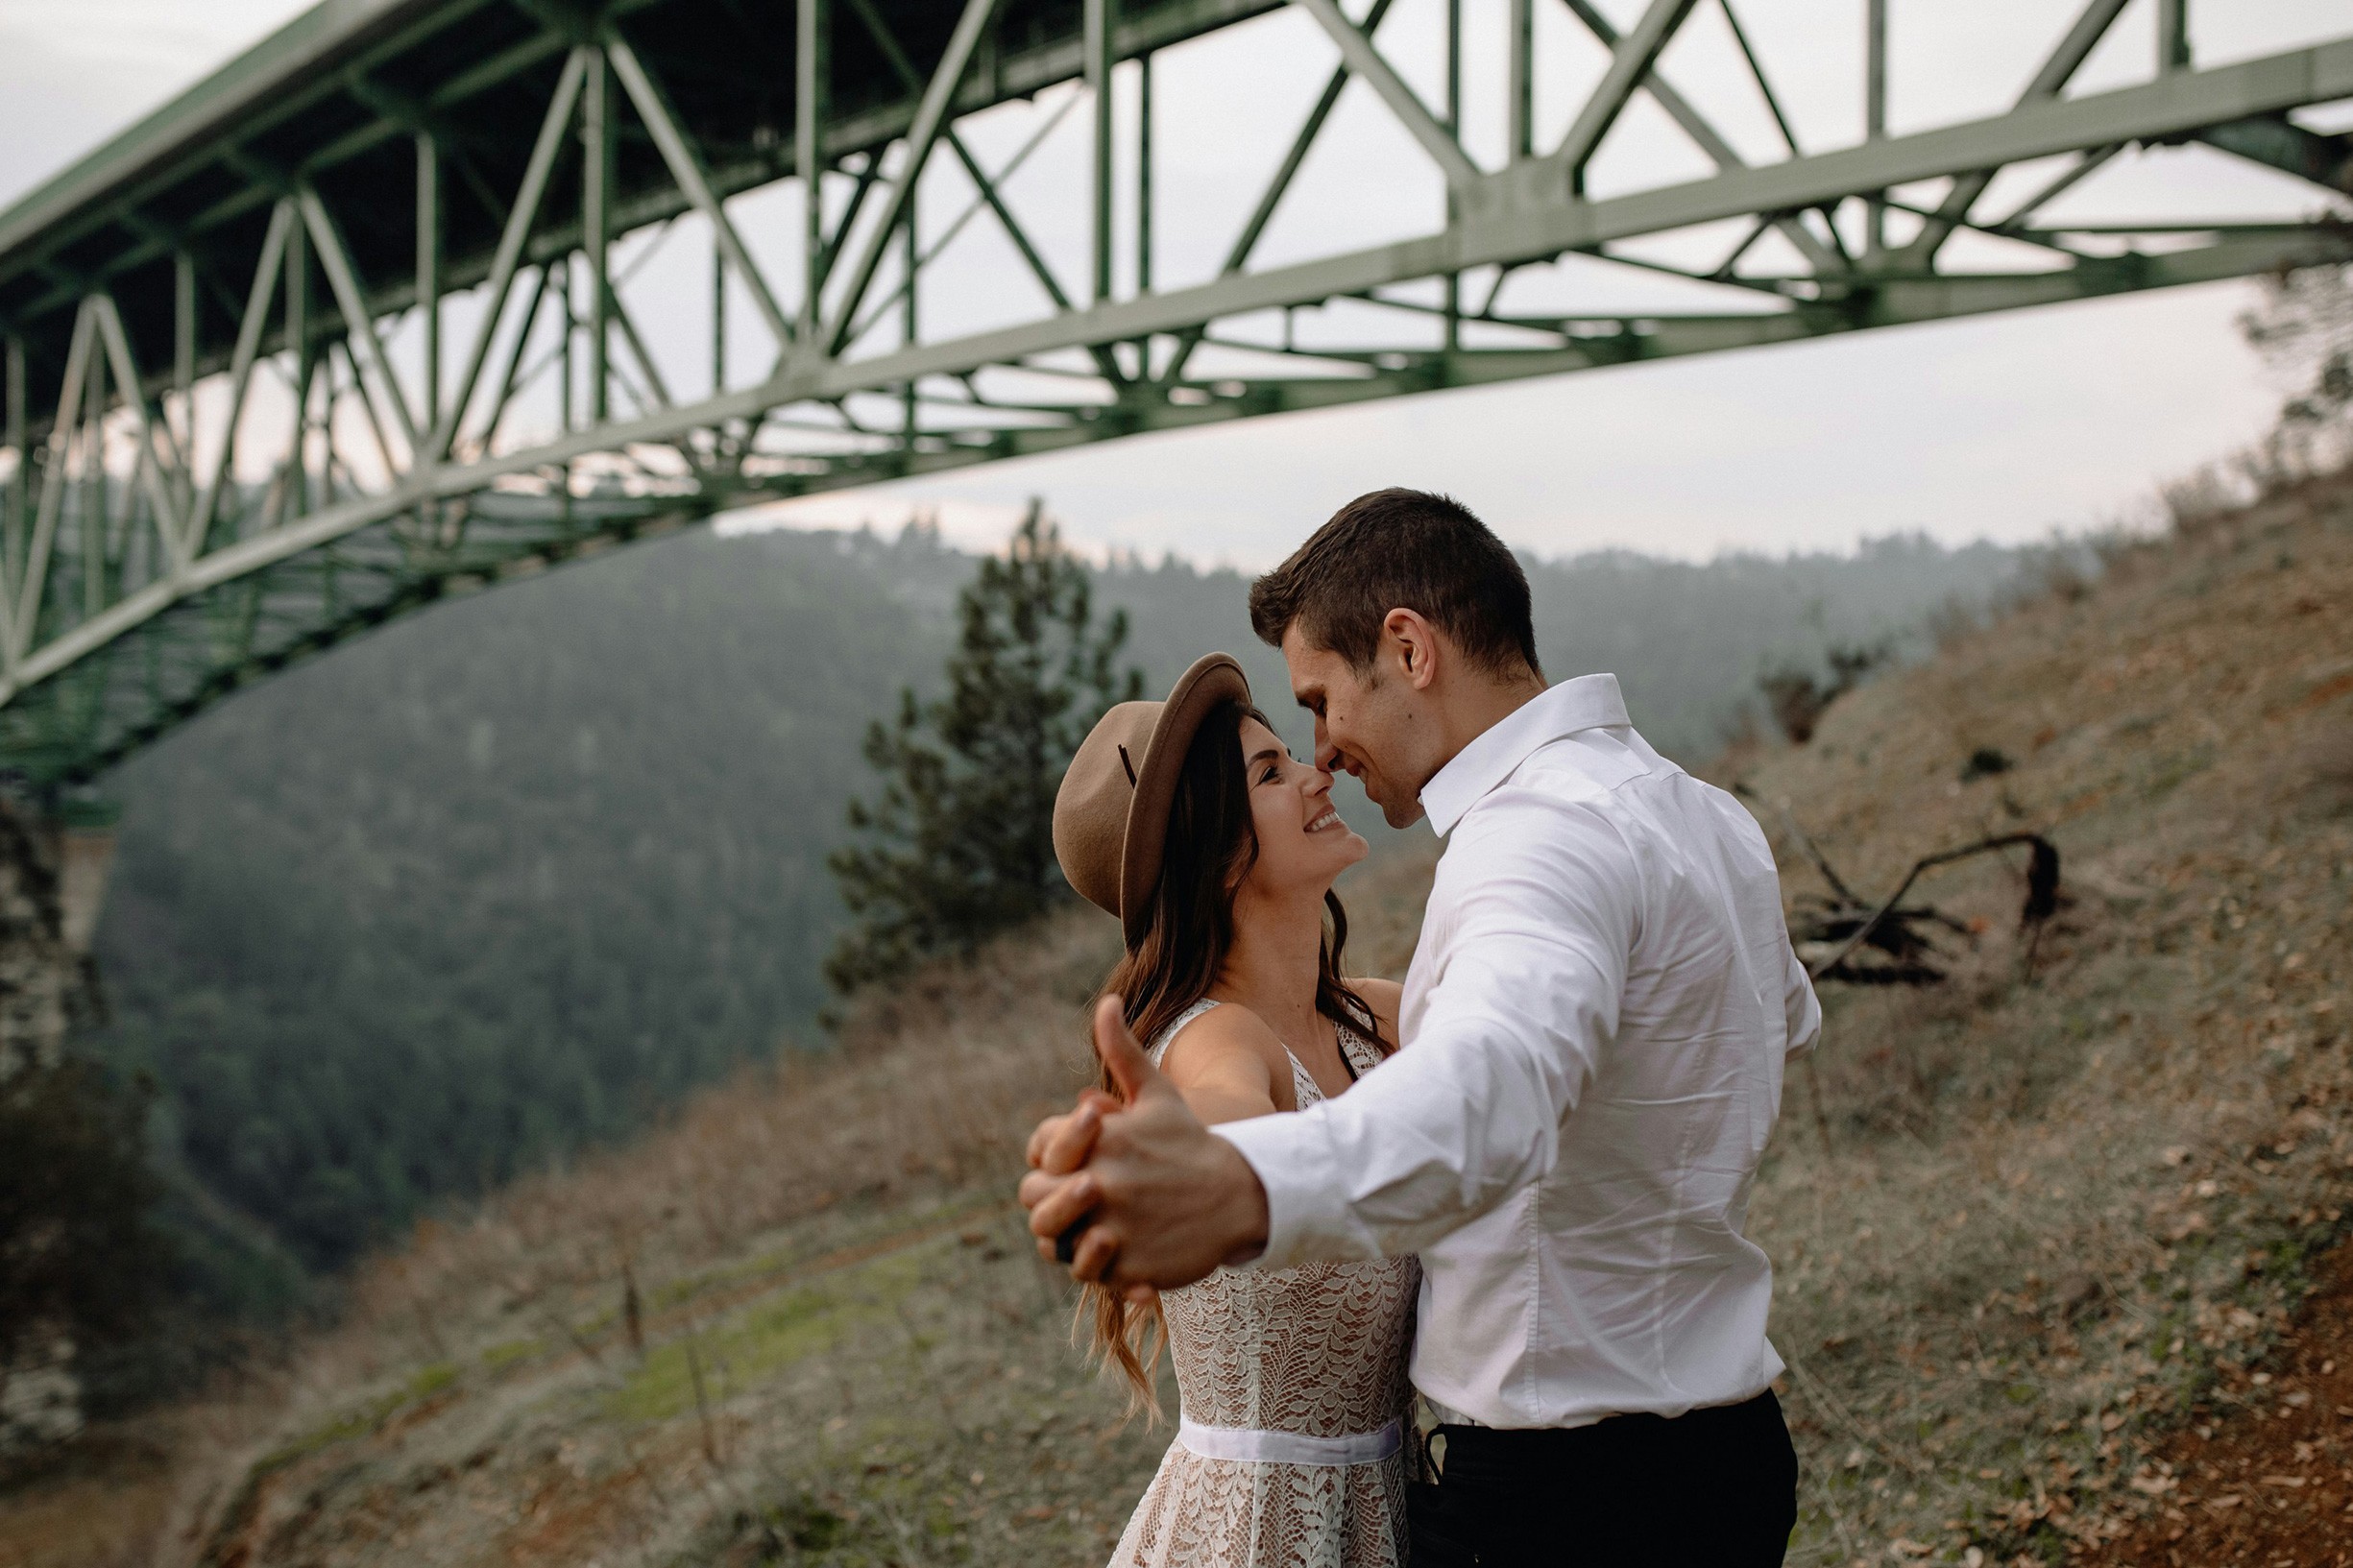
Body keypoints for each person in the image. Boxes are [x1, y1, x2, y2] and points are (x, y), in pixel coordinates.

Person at [1024, 490, 1821, 1565]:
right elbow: (1775, 1022)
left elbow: (1484, 1087)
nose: (1322, 752)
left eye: (1317, 701)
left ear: (1406, 649)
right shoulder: (1703, 815)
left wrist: (1235, 1183)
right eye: (1283, 744)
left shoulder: (1528, 843)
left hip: (1563, 1497)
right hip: (1729, 1459)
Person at [1049, 651, 1419, 1565]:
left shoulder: (1374, 1017)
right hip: (1252, 1535)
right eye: (1270, 771)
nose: (1314, 768)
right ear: (1215, 857)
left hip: (1394, 1513)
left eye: (1289, 751)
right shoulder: (1217, 1043)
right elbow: (1224, 1118)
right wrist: (1202, 1163)